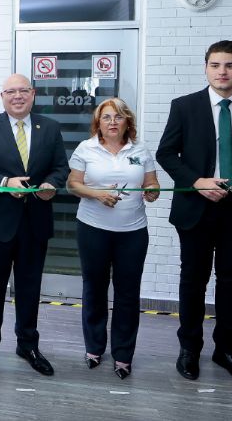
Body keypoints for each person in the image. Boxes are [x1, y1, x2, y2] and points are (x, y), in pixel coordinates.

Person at [156, 40, 232, 391]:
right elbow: (166, 153)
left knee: (231, 283)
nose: (222, 71)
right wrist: (196, 182)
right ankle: (189, 350)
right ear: (206, 67)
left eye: (229, 65)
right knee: (193, 282)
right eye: (215, 65)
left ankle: (226, 351)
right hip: (196, 208)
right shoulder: (184, 106)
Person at [0, 74, 69, 376]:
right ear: (2, 96)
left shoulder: (49, 127)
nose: (18, 96)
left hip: (35, 221)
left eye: (23, 90)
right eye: (11, 91)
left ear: (33, 94)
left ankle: (28, 344)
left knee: (29, 288)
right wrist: (3, 182)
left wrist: (51, 183)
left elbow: (60, 167)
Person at [67, 98, 159, 380]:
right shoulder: (87, 148)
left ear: (127, 121)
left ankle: (123, 355)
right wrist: (97, 194)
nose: (112, 122)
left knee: (128, 294)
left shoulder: (140, 150)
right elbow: (73, 184)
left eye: (118, 117)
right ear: (98, 122)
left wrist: (152, 191)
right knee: (94, 288)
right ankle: (94, 348)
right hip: (93, 228)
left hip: (133, 232)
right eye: (106, 117)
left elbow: (151, 183)